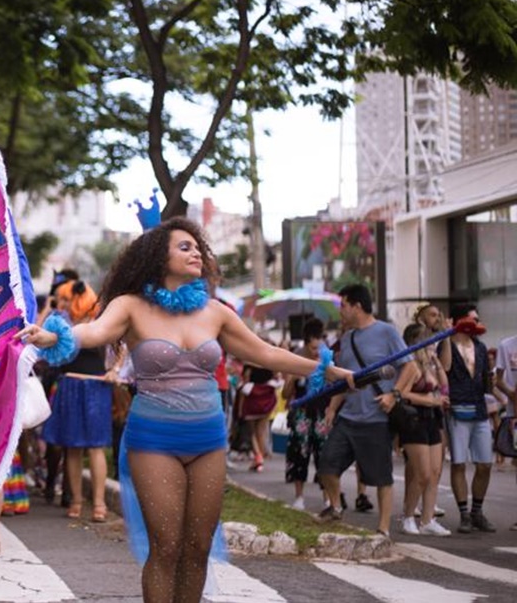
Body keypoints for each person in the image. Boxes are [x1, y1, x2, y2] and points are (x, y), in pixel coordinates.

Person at [19, 217, 351, 603]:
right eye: (185, 247)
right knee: (167, 547)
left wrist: (328, 370)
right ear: (160, 257)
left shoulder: (215, 312)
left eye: (198, 247)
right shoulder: (131, 307)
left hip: (208, 440)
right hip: (154, 441)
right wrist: (54, 335)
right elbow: (93, 332)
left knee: (197, 549)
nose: (196, 252)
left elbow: (265, 352)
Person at [316, 284, 417, 539]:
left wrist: (394, 395)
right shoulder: (347, 339)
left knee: (382, 475)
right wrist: (332, 407)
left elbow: (411, 368)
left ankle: (383, 528)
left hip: (376, 418)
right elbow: (343, 380)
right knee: (326, 463)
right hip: (348, 417)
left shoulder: (386, 332)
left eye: (343, 305)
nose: (341, 311)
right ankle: (336, 507)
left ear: (357, 306)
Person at [40, 278, 111, 522]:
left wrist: (116, 369)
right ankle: (77, 501)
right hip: (69, 383)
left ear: (79, 298)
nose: (62, 303)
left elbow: (121, 346)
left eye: (66, 299)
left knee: (95, 446)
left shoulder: (99, 320)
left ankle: (99, 503)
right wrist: (47, 311)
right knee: (71, 445)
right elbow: (41, 342)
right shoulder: (60, 322)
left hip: (95, 385)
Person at [439, 303, 496, 533]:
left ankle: (477, 511)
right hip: (457, 409)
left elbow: (486, 381)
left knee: (485, 464)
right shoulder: (448, 346)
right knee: (459, 462)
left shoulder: (480, 347)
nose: (476, 322)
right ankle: (463, 513)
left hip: (479, 409)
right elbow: (444, 367)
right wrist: (446, 336)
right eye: (472, 319)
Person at [396, 323, 451, 536]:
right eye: (427, 341)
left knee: (435, 472)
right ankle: (409, 515)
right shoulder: (411, 366)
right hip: (415, 420)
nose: (432, 345)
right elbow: (401, 393)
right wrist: (427, 400)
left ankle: (428, 519)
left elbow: (444, 386)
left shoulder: (429, 364)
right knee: (422, 473)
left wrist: (436, 362)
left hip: (433, 420)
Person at [281, 319, 332, 511]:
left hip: (321, 413)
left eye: (318, 346)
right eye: (312, 347)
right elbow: (285, 395)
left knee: (324, 455)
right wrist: (292, 380)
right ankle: (299, 497)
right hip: (301, 413)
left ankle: (328, 497)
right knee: (299, 453)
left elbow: (333, 390)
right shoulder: (295, 359)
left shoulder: (327, 359)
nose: (315, 352)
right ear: (305, 342)